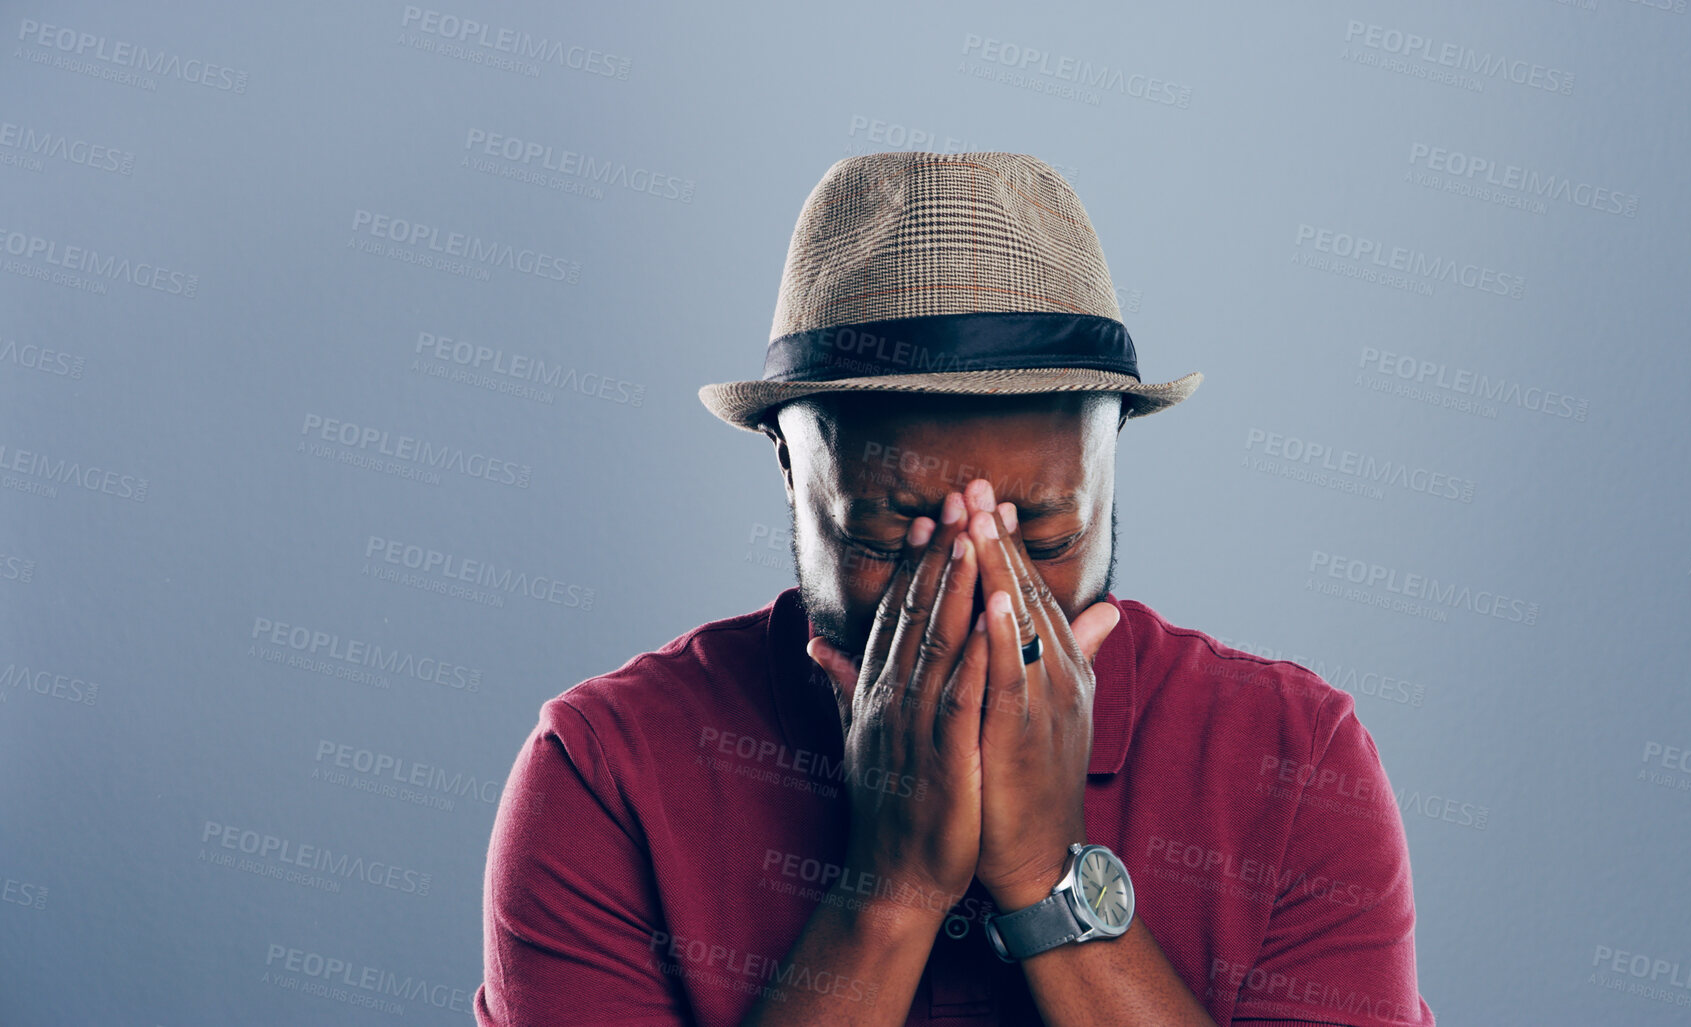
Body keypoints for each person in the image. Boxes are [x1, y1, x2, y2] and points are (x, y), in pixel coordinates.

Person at [475, 151, 1436, 1026]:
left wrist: (1046, 875)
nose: (981, 595)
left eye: (1046, 534)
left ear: (1109, 467)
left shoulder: (1292, 761)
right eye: (888, 531)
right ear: (789, 466)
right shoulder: (606, 772)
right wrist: (890, 890)